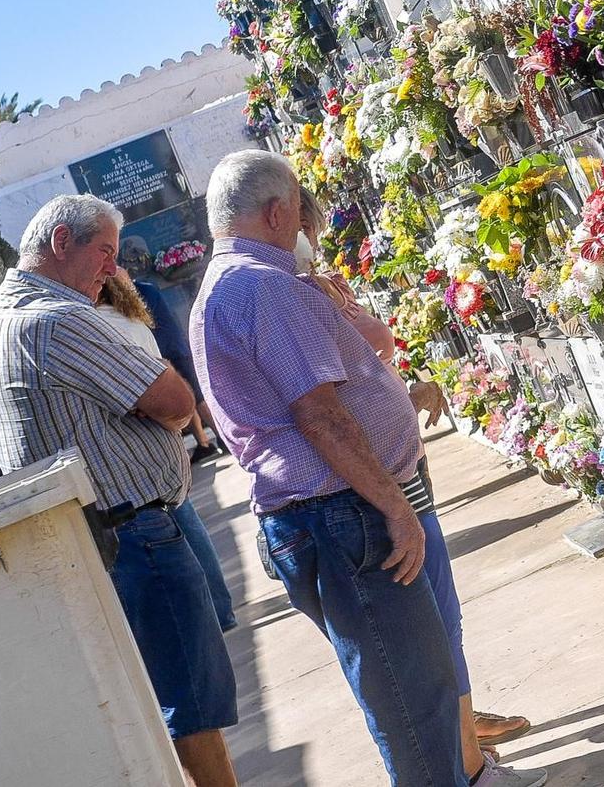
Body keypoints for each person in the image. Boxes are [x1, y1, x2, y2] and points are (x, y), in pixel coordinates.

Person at [191, 152, 533, 787]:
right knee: (413, 705)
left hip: (330, 514)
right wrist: (396, 508)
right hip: (339, 514)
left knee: (418, 689)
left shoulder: (242, 283)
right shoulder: (260, 287)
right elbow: (321, 417)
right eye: (299, 207)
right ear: (278, 212)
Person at [0, 194, 239, 787]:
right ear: (60, 242)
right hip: (133, 533)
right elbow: (174, 400)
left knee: (165, 702)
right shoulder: (56, 319)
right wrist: (163, 400)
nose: (112, 269)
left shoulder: (5, 318)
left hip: (102, 535)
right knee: (189, 701)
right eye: (104, 252)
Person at [295, 190, 537, 773]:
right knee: (428, 626)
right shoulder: (297, 298)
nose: (316, 237)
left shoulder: (323, 288)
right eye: (310, 226)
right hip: (376, 484)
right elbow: (328, 402)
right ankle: (467, 758)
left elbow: (361, 376)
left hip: (404, 470)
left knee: (444, 616)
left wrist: (403, 393)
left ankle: (467, 741)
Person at [98, 266, 238, 633]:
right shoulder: (131, 317)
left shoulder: (101, 325)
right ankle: (221, 609)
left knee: (180, 531)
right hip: (163, 435)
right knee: (187, 521)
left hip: (140, 438)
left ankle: (215, 612)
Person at [121, 238, 226, 460]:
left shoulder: (141, 292)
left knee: (198, 398)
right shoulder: (145, 289)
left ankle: (224, 438)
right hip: (169, 348)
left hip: (170, 350)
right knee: (189, 398)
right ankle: (203, 442)